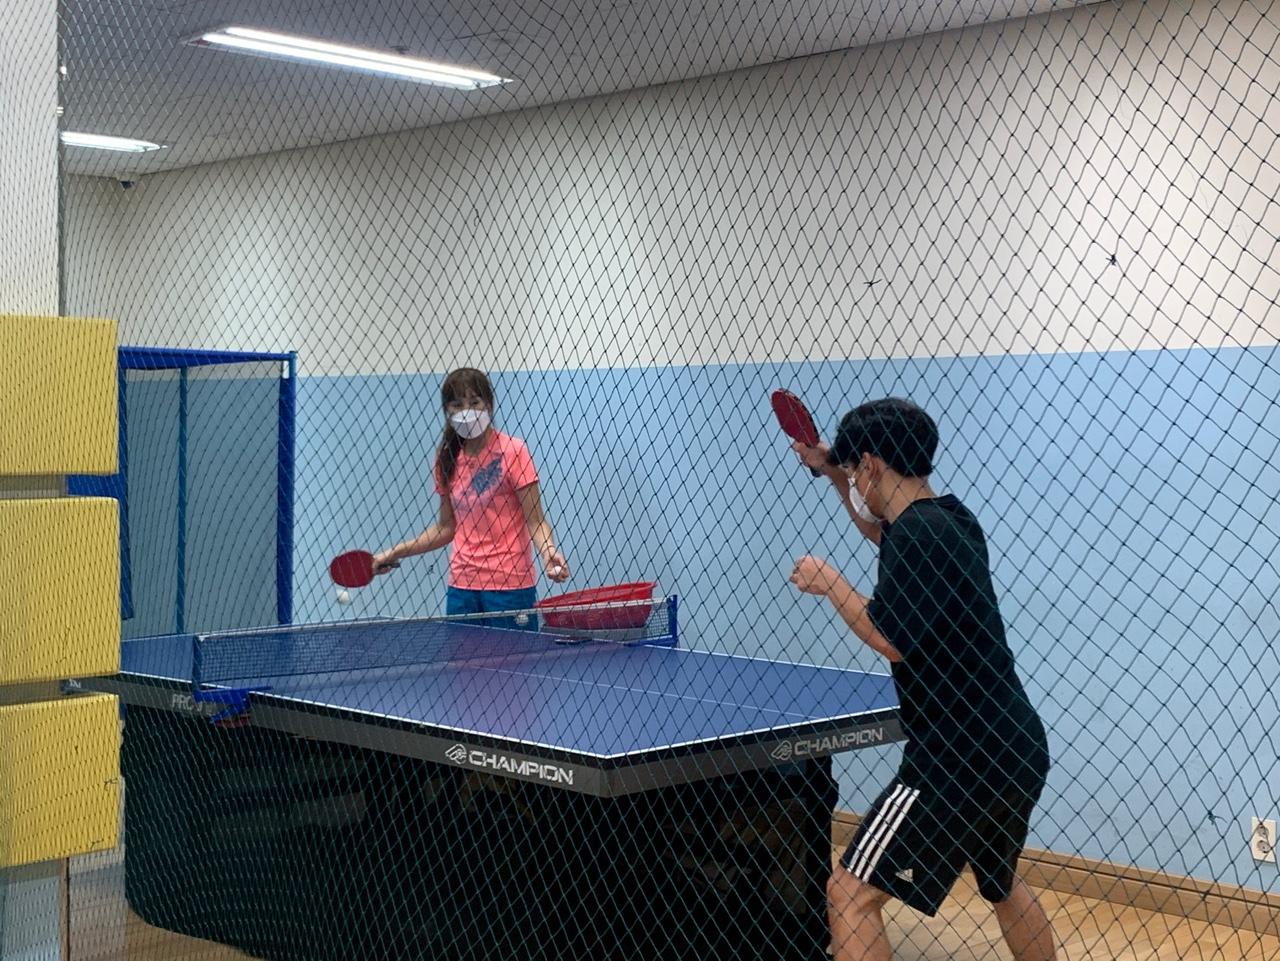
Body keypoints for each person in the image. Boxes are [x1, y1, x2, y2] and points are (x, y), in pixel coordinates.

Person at [788, 397, 1056, 961]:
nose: (856, 482)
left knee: (849, 892)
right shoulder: (950, 518)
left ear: (872, 464)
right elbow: (883, 534)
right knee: (1001, 883)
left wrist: (829, 582)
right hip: (1015, 747)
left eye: (856, 470)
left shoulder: (916, 536)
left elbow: (892, 639)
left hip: (955, 760)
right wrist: (836, 476)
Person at [373, 368, 570, 628]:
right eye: (458, 405)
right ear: (448, 411)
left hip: (509, 586)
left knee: (514, 655)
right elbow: (446, 527)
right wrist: (396, 551)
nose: (467, 412)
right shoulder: (446, 458)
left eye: (474, 402)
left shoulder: (514, 451)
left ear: (489, 405)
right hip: (462, 587)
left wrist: (548, 550)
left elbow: (536, 521)